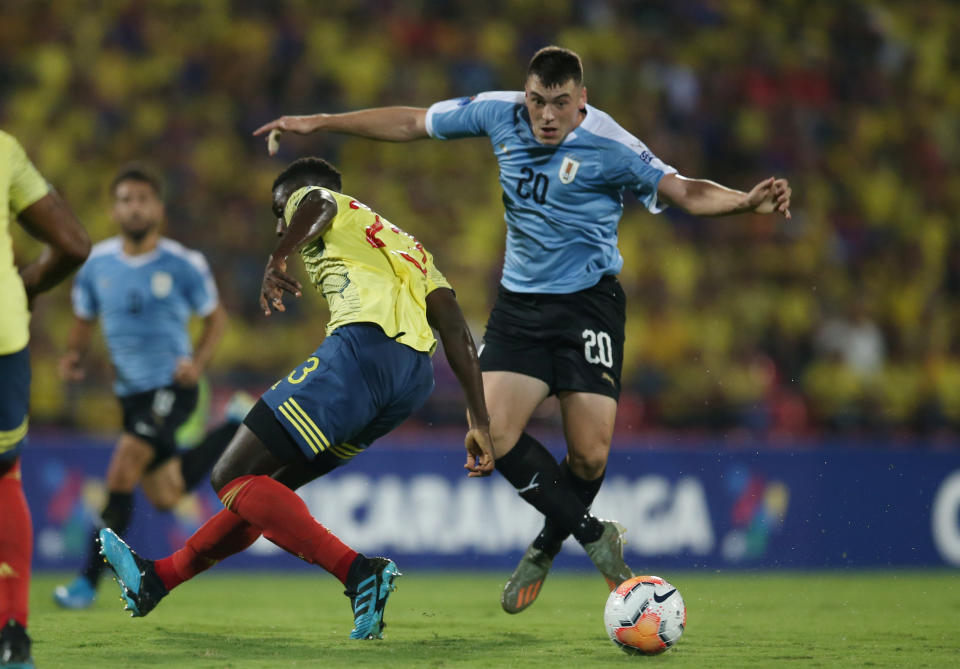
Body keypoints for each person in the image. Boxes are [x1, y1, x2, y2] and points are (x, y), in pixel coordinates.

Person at [253, 45, 793, 614]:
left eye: (561, 103)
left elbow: (683, 189)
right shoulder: (497, 112)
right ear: (525, 94)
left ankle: (547, 542)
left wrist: (744, 203)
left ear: (581, 100)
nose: (547, 116)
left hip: (590, 306)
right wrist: (322, 122)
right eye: (537, 101)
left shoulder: (611, 146)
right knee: (491, 429)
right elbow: (413, 121)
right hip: (520, 307)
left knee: (588, 457)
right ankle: (593, 534)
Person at [98, 156, 495, 640]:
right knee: (262, 493)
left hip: (361, 349)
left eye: (277, 210)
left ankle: (358, 573)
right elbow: (454, 327)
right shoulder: (409, 247)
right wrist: (480, 419)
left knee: (229, 476)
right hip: (412, 381)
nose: (277, 222)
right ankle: (158, 580)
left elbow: (319, 202)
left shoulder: (319, 200)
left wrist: (280, 252)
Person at [53, 164, 247, 609]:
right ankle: (234, 426)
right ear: (113, 209)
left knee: (123, 465)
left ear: (157, 207)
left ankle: (86, 581)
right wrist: (73, 357)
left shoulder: (183, 263)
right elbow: (84, 318)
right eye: (125, 199)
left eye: (142, 199)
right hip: (131, 394)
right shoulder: (96, 264)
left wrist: (197, 365)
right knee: (167, 494)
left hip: (172, 386)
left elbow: (216, 319)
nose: (134, 207)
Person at [1, 130, 91, 669]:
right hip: (3, 333)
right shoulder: (4, 148)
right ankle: (13, 635)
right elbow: (74, 243)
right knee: (3, 478)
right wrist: (25, 287)